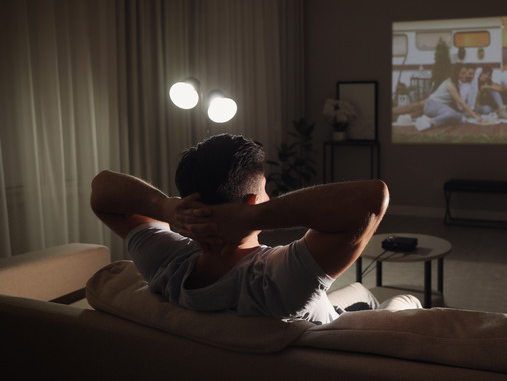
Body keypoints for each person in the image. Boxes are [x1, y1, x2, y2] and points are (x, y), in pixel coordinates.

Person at [90, 134, 419, 325]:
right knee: (405, 301)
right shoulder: (276, 280)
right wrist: (251, 218)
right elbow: (373, 198)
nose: (270, 198)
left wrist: (166, 208)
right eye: (265, 191)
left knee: (360, 290)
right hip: (343, 329)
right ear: (251, 202)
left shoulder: (166, 262)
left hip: (319, 305)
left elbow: (101, 191)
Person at [416, 62, 481, 131]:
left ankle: (429, 119)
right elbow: (461, 102)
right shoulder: (450, 84)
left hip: (440, 108)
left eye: (465, 73)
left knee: (458, 117)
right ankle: (429, 122)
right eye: (463, 73)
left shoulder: (457, 83)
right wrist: (474, 115)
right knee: (452, 114)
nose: (465, 75)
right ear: (457, 73)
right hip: (431, 105)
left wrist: (469, 114)